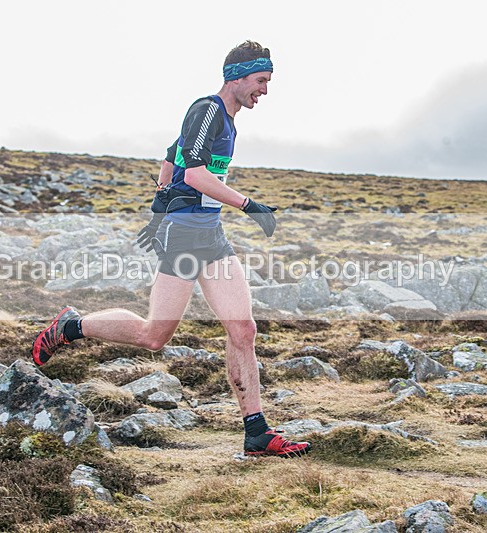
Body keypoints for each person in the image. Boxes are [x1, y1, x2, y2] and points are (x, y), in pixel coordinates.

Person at [31, 40, 310, 458]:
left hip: (210, 235)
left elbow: (172, 153)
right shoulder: (208, 109)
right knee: (154, 336)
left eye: (267, 82)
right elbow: (196, 175)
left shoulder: (225, 119)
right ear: (236, 76)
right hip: (182, 237)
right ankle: (71, 326)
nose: (264, 91)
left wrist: (164, 194)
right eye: (260, 81)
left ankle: (256, 432)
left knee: (243, 330)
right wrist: (247, 206)